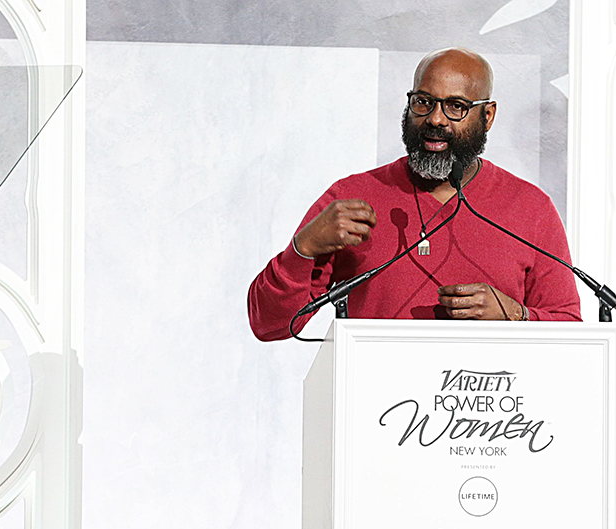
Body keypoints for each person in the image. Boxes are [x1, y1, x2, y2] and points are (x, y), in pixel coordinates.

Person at [248, 48, 581, 341]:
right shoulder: (352, 197)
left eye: (456, 107)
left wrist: (516, 316)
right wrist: (302, 249)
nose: (436, 119)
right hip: (378, 408)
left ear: (488, 115)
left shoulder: (530, 208)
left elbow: (568, 329)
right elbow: (270, 325)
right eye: (423, 102)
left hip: (490, 406)